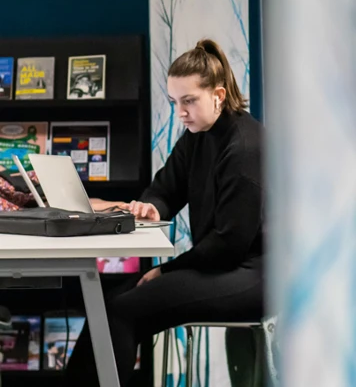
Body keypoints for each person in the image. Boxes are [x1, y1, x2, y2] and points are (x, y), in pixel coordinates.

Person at [67, 38, 264, 386]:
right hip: (221, 266)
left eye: (189, 101)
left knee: (124, 312)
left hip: (254, 276)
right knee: (112, 302)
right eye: (175, 102)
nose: (180, 112)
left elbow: (229, 244)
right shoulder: (198, 134)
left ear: (218, 96)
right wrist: (151, 206)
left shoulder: (244, 147)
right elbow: (166, 189)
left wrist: (166, 271)